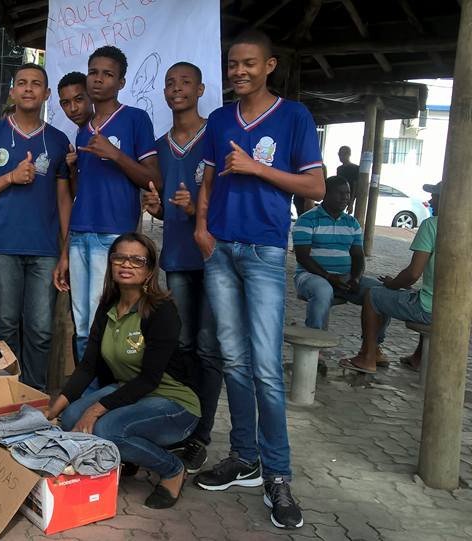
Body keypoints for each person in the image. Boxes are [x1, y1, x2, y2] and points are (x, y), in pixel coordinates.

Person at [192, 30, 324, 530]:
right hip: (221, 251)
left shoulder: (294, 116)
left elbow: (314, 185)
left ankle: (278, 475)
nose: (238, 71)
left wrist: (255, 168)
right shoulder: (222, 119)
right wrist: (203, 228)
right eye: (232, 64)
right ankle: (243, 457)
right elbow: (207, 176)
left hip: (266, 252)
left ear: (269, 65)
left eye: (248, 63)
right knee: (233, 360)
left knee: (267, 368)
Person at [46, 233, 200, 509]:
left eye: (137, 260)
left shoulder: (161, 311)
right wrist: (51, 412)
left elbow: (149, 380)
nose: (126, 264)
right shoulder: (107, 307)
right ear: (111, 263)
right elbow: (88, 367)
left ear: (150, 269)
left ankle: (173, 469)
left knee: (106, 428)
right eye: (119, 257)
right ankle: (128, 456)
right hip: (131, 392)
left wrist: (95, 409)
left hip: (174, 402)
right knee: (70, 419)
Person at [0, 63, 73, 392]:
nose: (28, 88)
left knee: (41, 330)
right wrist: (10, 178)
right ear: (12, 91)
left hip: (44, 251)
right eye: (22, 83)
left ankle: (35, 396)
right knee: (6, 327)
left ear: (46, 94)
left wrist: (65, 251)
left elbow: (64, 201)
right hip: (2, 248)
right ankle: (4, 395)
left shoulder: (58, 141)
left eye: (36, 84)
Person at [145, 61, 225, 475]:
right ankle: (183, 426)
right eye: (170, 83)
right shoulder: (160, 146)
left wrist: (199, 213)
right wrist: (158, 210)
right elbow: (163, 208)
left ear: (201, 89)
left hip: (214, 259)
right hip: (176, 258)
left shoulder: (216, 134)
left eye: (186, 83)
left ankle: (201, 437)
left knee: (210, 349)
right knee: (184, 345)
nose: (177, 89)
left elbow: (228, 199)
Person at [61, 46, 160, 363]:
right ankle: (85, 394)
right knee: (82, 322)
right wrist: (74, 169)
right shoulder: (82, 131)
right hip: (79, 234)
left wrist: (115, 154)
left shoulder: (135, 119)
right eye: (93, 72)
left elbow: (152, 179)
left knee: (105, 321)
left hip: (113, 237)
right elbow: (81, 190)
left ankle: (104, 395)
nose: (98, 80)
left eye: (107, 74)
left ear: (121, 82)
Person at [340, 182, 440, 374]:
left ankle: (368, 356)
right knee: (419, 294)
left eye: (434, 195)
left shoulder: (432, 225)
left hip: (430, 309)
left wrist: (392, 284)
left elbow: (412, 274)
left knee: (374, 295)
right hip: (460, 309)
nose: (430, 200)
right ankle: (418, 357)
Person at [293, 176, 381, 332]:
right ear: (326, 194)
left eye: (347, 193)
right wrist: (328, 277)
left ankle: (373, 346)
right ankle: (315, 342)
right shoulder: (307, 220)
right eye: (340, 193)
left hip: (344, 278)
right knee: (323, 290)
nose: (345, 198)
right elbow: (302, 257)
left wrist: (356, 278)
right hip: (310, 276)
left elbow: (358, 256)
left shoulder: (352, 223)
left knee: (381, 293)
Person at [56, 71, 92, 197]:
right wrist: (73, 170)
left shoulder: (111, 129)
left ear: (91, 96)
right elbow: (80, 194)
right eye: (66, 103)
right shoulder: (78, 137)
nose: (73, 108)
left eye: (78, 99)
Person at [336, 146, 359, 211]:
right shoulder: (339, 169)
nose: (340, 157)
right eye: (339, 154)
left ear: (348, 154)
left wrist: (351, 203)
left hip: (349, 196)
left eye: (342, 154)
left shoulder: (355, 168)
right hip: (339, 196)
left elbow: (355, 186)